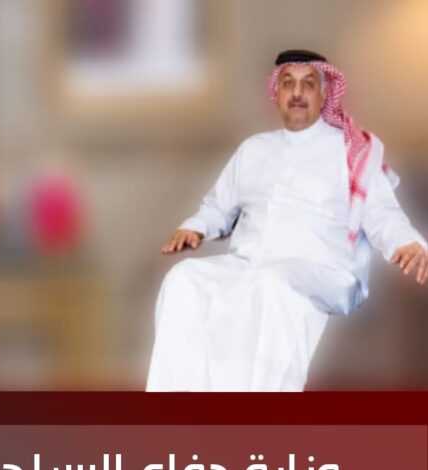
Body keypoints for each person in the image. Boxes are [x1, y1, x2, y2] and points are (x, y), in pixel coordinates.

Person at [146, 49, 428, 391]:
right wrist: (195, 226)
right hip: (251, 263)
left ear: (324, 94)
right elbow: (218, 206)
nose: (297, 93)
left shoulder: (352, 151)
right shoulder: (254, 149)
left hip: (324, 268)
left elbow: (382, 213)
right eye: (288, 84)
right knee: (184, 279)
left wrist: (407, 243)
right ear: (275, 93)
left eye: (308, 84)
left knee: (270, 285)